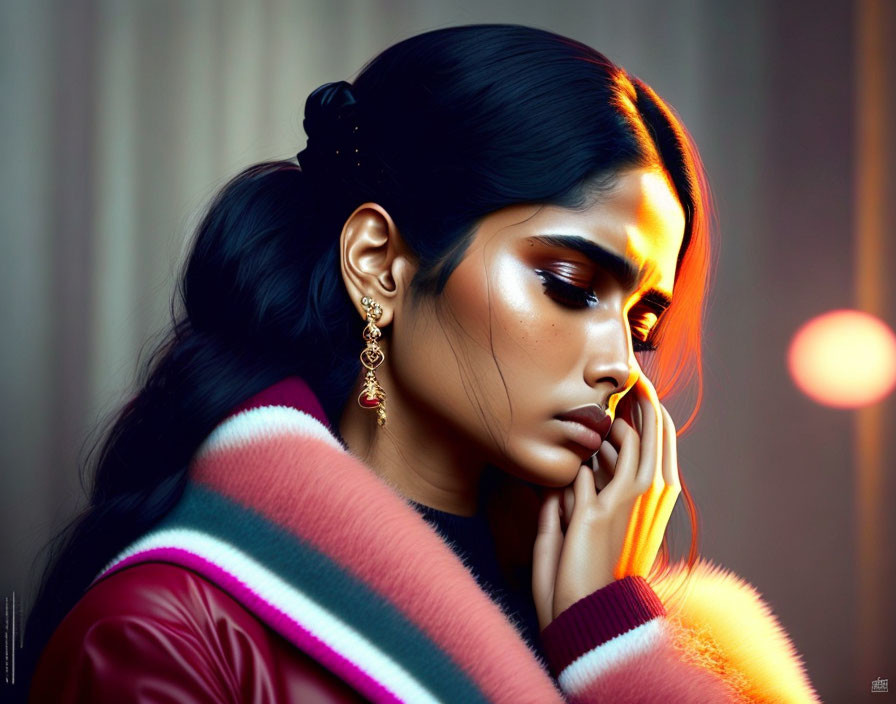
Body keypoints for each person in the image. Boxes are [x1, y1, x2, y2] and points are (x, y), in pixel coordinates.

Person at [19, 23, 820, 703]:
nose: (621, 365)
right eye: (571, 286)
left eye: (644, 321)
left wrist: (611, 639)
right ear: (378, 263)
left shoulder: (633, 626)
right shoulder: (167, 636)